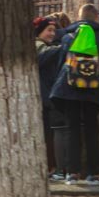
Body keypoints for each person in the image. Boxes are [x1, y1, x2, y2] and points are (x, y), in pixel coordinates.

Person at [49, 3, 99, 185]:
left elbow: (60, 64)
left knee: (72, 128)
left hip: (69, 88)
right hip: (92, 89)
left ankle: (72, 173)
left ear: (79, 17)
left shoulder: (67, 37)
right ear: (96, 18)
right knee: (92, 129)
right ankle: (93, 174)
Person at [34, 17, 67, 180]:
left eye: (54, 30)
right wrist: (61, 47)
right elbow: (41, 58)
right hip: (42, 97)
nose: (52, 34)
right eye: (49, 30)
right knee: (45, 134)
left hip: (46, 96)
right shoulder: (38, 45)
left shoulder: (47, 46)